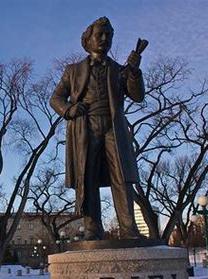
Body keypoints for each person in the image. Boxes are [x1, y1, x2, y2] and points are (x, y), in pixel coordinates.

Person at [50, 17, 145, 240]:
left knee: (121, 176)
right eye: (99, 35)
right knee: (88, 176)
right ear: (88, 40)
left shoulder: (119, 70)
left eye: (109, 35)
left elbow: (138, 96)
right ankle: (92, 229)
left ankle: (129, 228)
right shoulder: (73, 71)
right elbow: (55, 98)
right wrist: (69, 110)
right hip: (86, 128)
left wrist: (133, 72)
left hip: (113, 127)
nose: (105, 39)